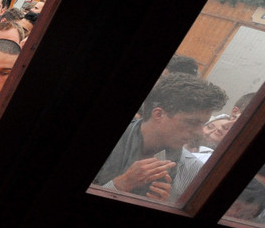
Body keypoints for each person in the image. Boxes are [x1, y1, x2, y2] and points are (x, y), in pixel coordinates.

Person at [94, 72, 228, 203]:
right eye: (191, 122)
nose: (199, 133)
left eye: (203, 124)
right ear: (158, 114)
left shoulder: (193, 170)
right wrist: (120, 185)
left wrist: (166, 207)